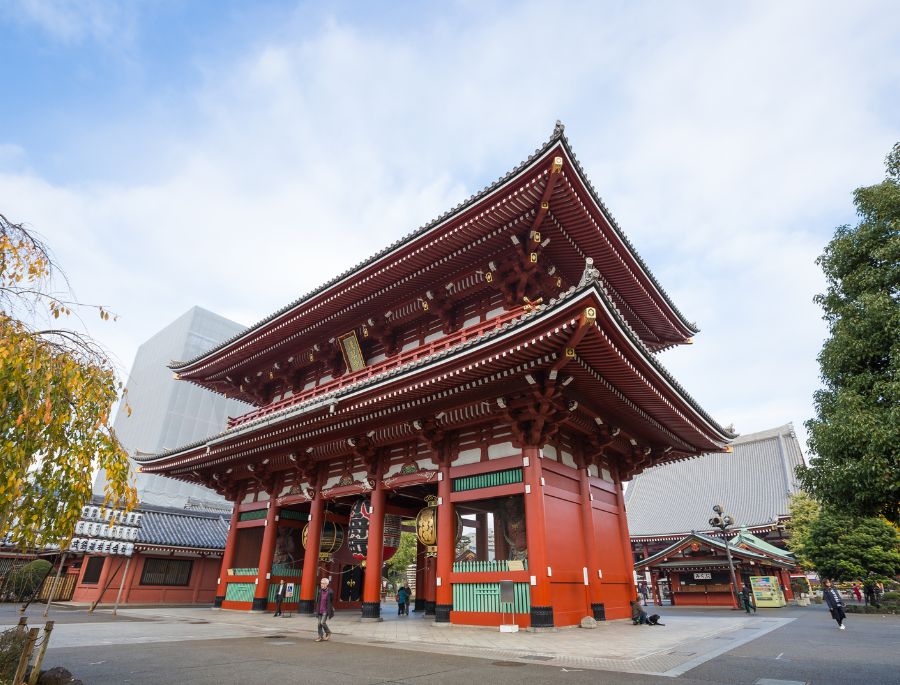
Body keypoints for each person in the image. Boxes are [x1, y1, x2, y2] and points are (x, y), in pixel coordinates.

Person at [314, 577, 335, 642]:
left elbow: (331, 601)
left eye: (323, 583)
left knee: (322, 622)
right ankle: (320, 636)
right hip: (320, 609)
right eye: (321, 583)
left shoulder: (330, 592)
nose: (322, 585)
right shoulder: (320, 591)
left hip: (326, 610)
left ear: (326, 584)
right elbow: (318, 600)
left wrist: (330, 609)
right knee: (319, 623)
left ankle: (328, 632)